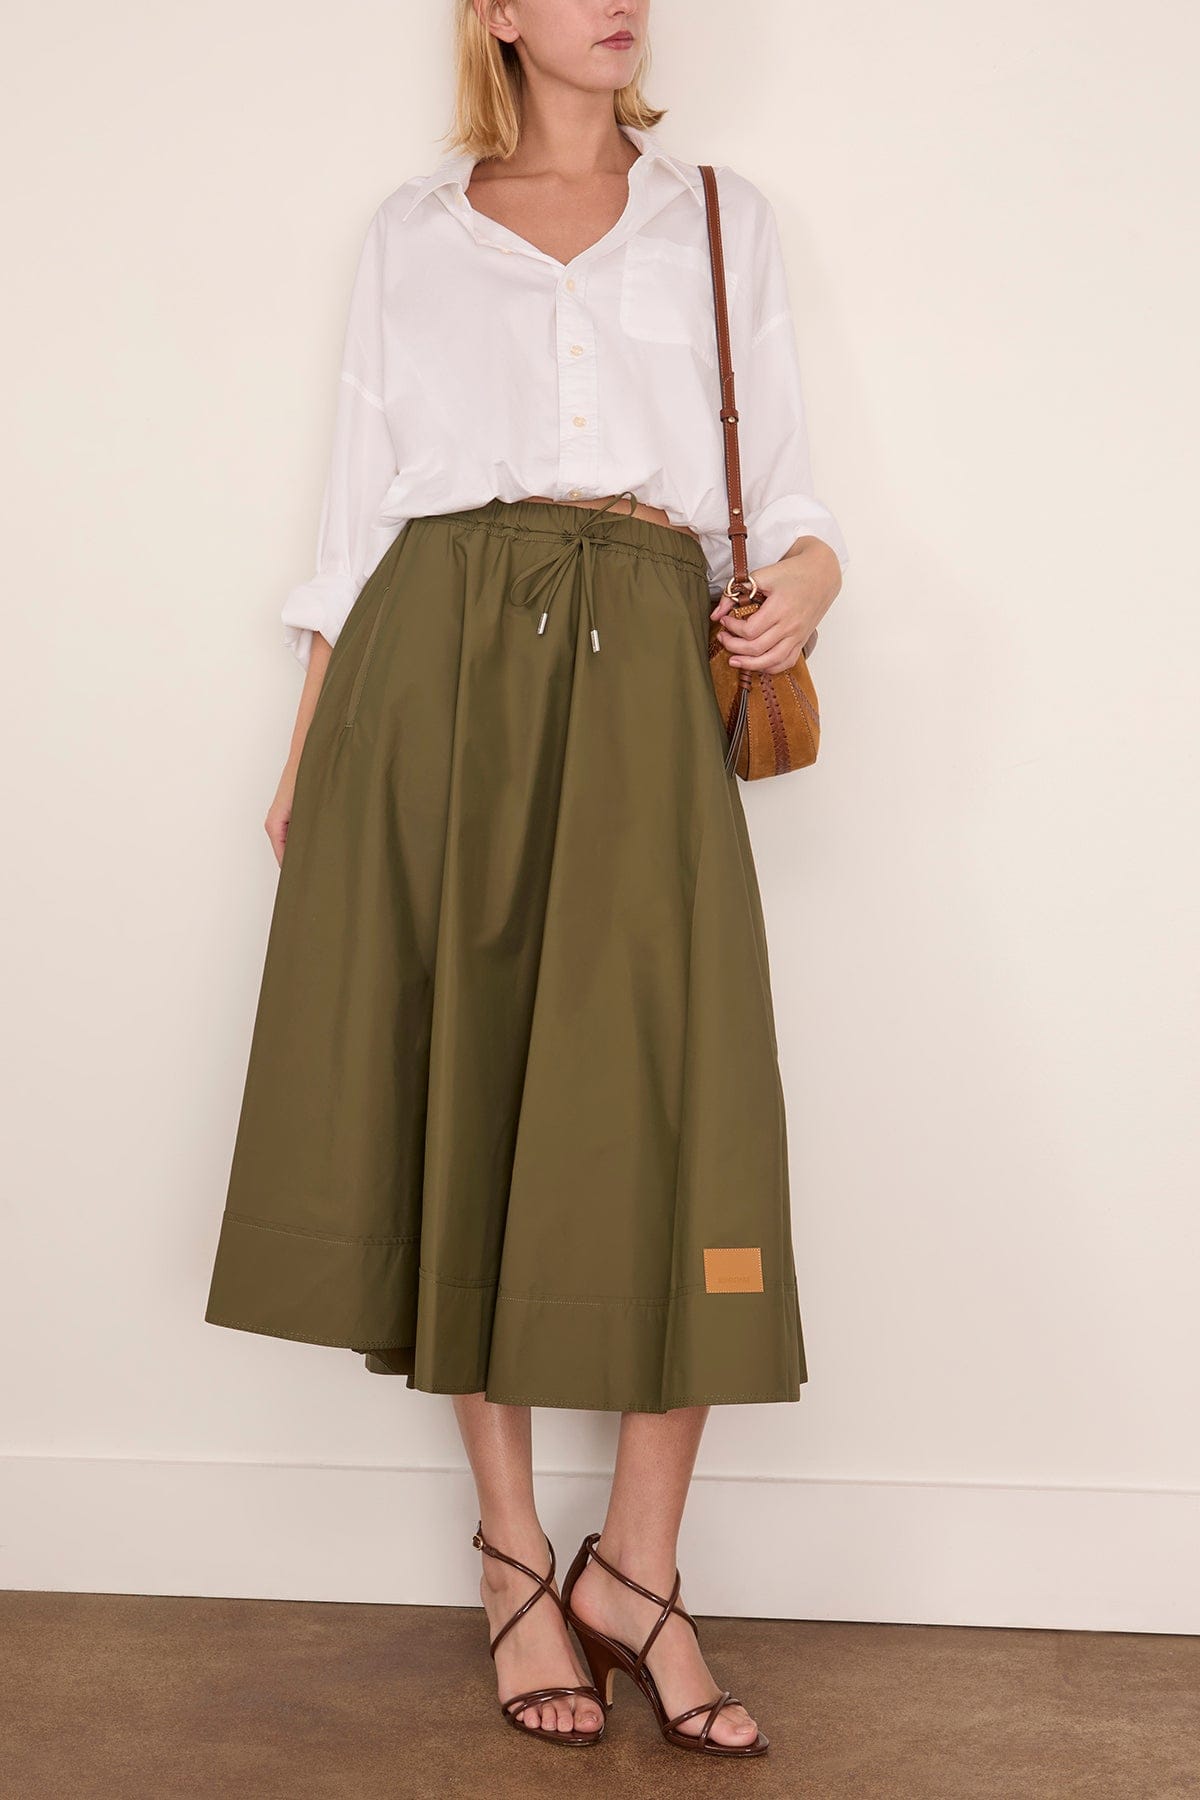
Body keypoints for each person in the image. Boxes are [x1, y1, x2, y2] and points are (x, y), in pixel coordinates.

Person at [204, 0, 847, 1760]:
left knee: (679, 1100)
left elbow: (792, 501)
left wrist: (806, 588)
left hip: (644, 665)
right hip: (440, 673)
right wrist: (308, 753)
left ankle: (637, 1570)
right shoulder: (413, 230)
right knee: (465, 1082)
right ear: (496, 10)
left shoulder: (720, 216)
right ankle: (511, 1561)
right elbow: (358, 513)